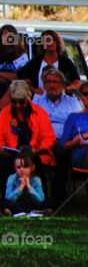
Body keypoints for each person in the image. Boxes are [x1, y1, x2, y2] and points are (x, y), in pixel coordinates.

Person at [0, 80, 56, 197]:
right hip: (11, 153)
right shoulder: (4, 114)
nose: (17, 105)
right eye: (13, 102)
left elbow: (49, 138)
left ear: (28, 98)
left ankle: (40, 200)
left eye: (21, 102)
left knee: (36, 164)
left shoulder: (40, 114)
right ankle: (8, 201)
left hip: (35, 153)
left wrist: (38, 149)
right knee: (4, 163)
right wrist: (1, 147)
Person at [32, 66, 82, 209]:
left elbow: (78, 125)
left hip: (63, 141)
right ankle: (43, 197)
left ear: (62, 85)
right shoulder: (37, 101)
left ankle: (56, 198)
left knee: (62, 155)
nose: (52, 85)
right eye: (48, 82)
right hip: (41, 141)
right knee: (34, 158)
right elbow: (31, 124)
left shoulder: (72, 102)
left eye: (55, 82)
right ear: (44, 84)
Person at [19, 29, 79, 93]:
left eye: (51, 40)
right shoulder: (35, 62)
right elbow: (25, 81)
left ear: (57, 42)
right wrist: (35, 90)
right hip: (39, 100)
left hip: (62, 100)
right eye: (46, 41)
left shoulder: (66, 62)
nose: (48, 43)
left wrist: (65, 89)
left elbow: (77, 83)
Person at [3, 150, 46, 216]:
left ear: (32, 168)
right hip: (16, 204)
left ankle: (23, 211)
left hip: (31, 205)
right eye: (18, 167)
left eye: (25, 166)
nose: (22, 170)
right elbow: (8, 199)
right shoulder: (11, 178)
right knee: (2, 202)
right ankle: (33, 212)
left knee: (48, 203)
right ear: (15, 168)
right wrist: (21, 186)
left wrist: (29, 186)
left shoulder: (36, 180)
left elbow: (41, 200)